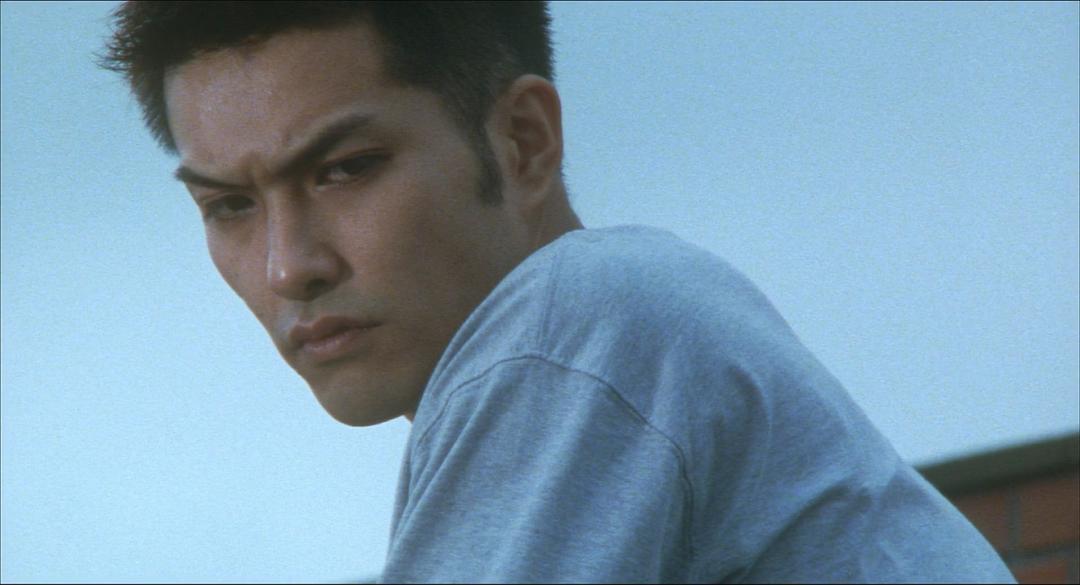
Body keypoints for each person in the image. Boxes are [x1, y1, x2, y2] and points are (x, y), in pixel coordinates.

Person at [101, 2, 1015, 582]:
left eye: (345, 168)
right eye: (229, 205)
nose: (287, 266)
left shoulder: (580, 319)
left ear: (525, 141)